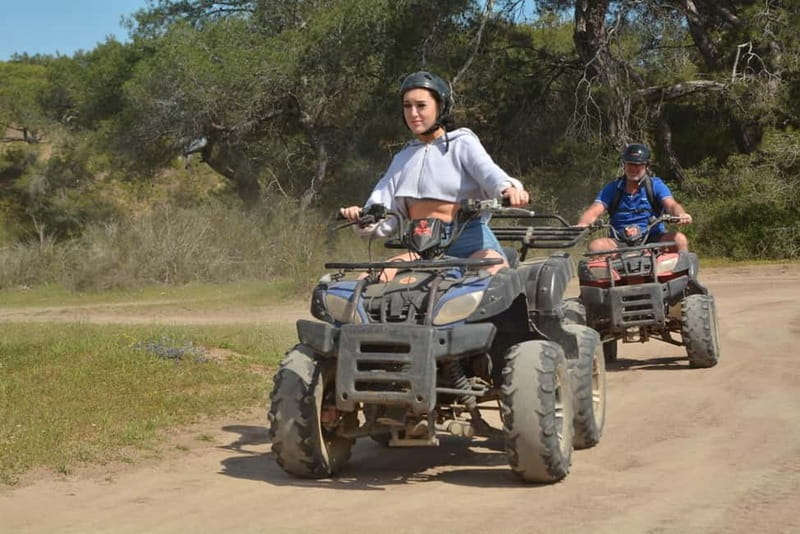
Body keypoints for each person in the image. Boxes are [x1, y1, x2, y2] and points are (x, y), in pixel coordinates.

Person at [340, 71, 530, 277]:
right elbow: (383, 208)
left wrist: (509, 189)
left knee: (492, 279)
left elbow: (489, 172)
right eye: (407, 106)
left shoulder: (462, 143)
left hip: (470, 241)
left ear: (440, 106)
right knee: (369, 280)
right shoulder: (402, 158)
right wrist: (362, 216)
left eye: (421, 105)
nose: (413, 113)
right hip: (421, 245)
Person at [576, 143, 693, 253]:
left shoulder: (655, 185)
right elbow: (594, 210)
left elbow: (671, 205)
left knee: (679, 240)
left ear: (646, 166)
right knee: (596, 247)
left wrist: (681, 214)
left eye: (638, 165)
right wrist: (582, 224)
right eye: (630, 164)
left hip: (652, 239)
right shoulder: (613, 188)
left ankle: (683, 274)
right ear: (624, 165)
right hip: (620, 241)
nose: (633, 169)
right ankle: (612, 273)